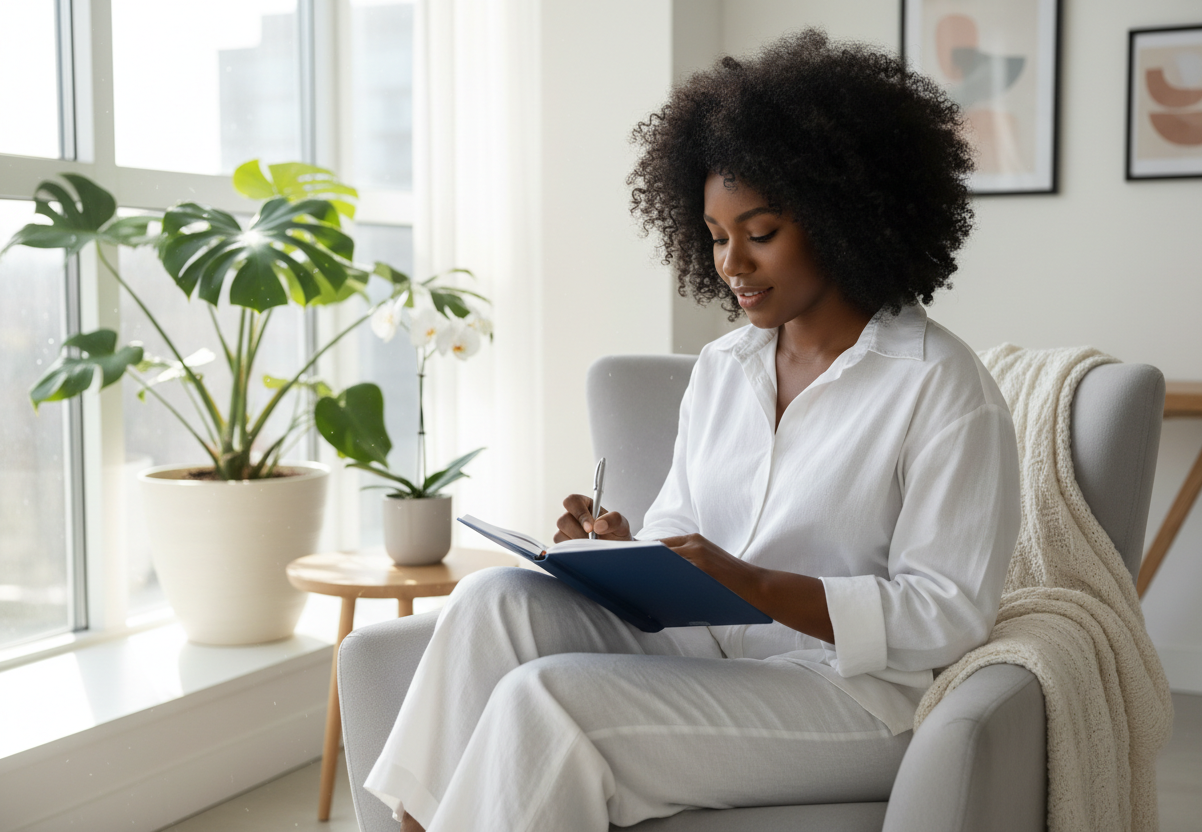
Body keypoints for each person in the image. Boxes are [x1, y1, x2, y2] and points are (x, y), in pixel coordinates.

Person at [365, 29, 1021, 832]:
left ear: (843, 214)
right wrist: (618, 549)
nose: (731, 263)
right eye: (715, 237)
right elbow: (685, 524)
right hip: (704, 650)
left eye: (762, 231)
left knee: (550, 702)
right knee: (491, 600)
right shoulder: (724, 366)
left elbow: (949, 612)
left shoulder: (941, 387)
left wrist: (755, 584)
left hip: (851, 699)